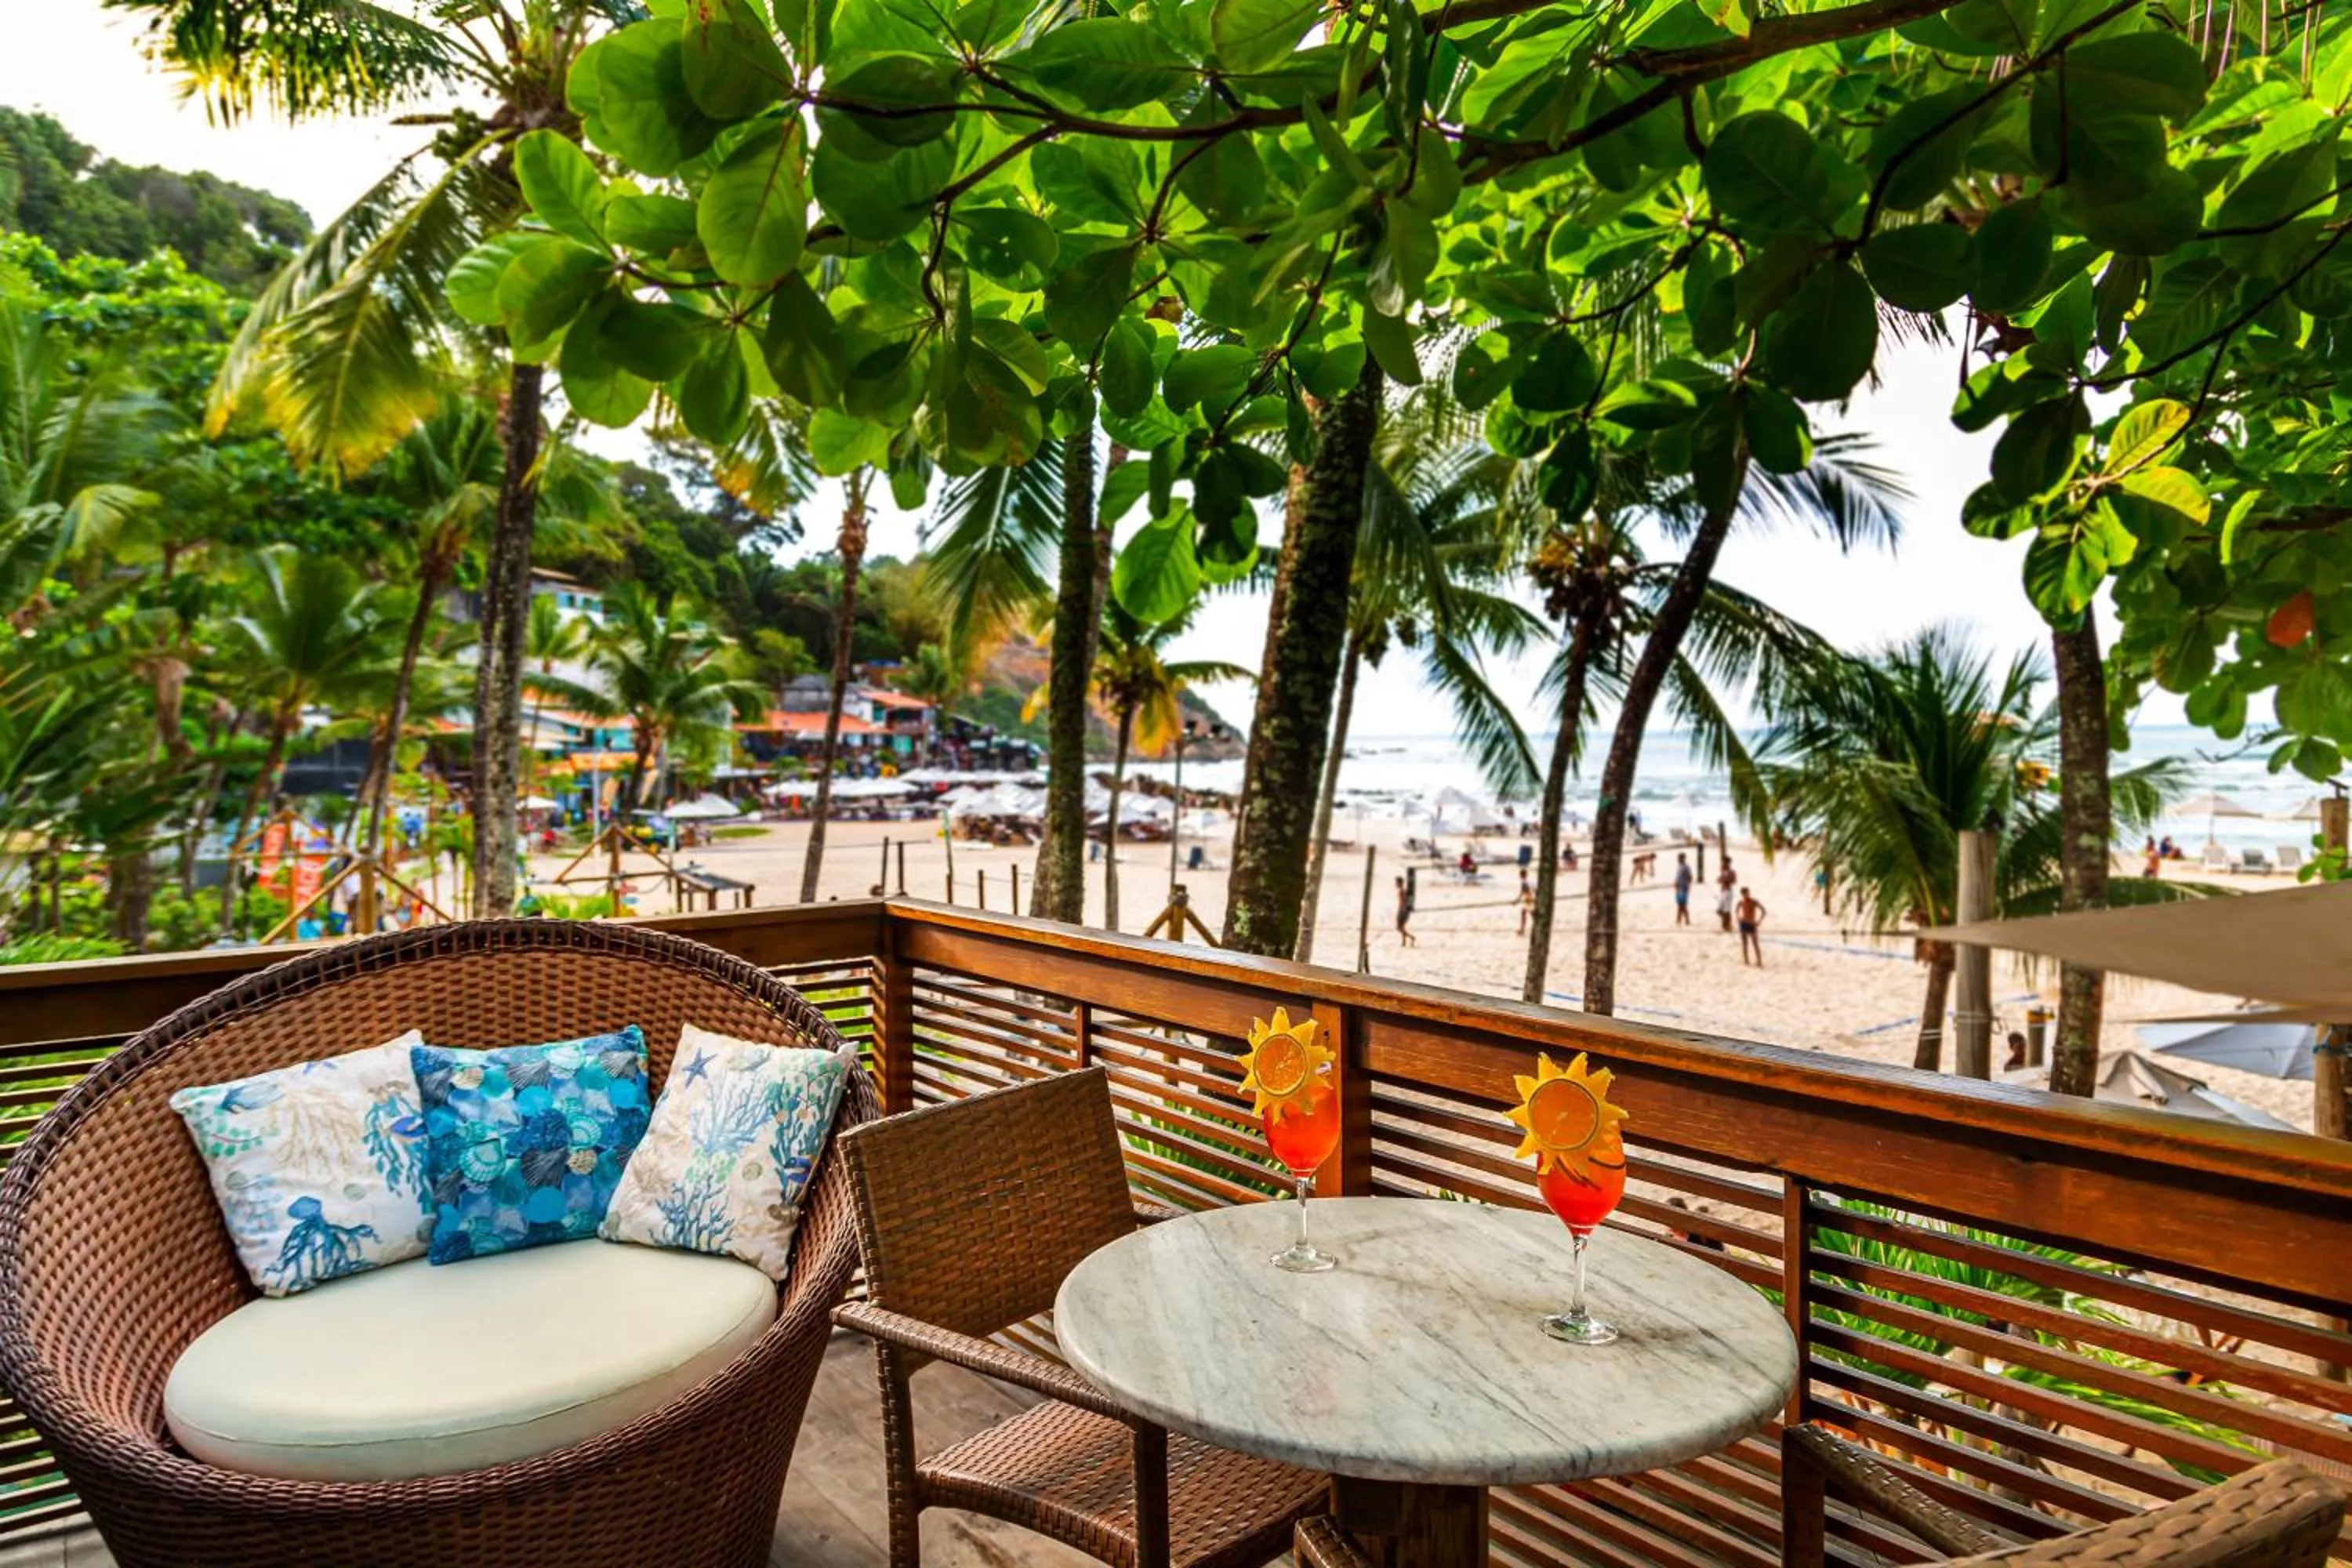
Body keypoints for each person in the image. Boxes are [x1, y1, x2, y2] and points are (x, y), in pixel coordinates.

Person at [1736, 887, 1766, 966]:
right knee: (1744, 943)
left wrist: (1759, 921)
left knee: (1755, 943)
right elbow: (1736, 910)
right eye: (1744, 894)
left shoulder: (1753, 902)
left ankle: (1759, 961)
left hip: (1752, 924)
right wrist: (1739, 918)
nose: (1746, 895)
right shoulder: (1741, 902)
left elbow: (1764, 911)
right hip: (1744, 923)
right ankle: (1746, 960)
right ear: (1742, 894)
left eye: (1747, 893)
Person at [1715, 858, 1738, 932]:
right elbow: (1719, 879)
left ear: (1728, 863)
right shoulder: (1723, 871)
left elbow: (1734, 881)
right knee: (1719, 910)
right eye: (1723, 863)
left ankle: (1726, 925)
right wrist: (1720, 880)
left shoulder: (1731, 872)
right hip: (1722, 891)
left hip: (1728, 891)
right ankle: (1727, 923)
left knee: (1727, 910)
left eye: (1725, 863)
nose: (1723, 864)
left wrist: (1727, 880)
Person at [1395, 875, 1417, 947]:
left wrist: (1402, 910)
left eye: (1397, 883)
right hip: (1402, 910)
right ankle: (1404, 942)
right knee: (1402, 927)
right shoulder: (1402, 891)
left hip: (1402, 911)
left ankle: (1411, 937)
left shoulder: (1403, 891)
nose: (1396, 884)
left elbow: (1404, 902)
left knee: (1399, 927)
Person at [1673, 853, 1694, 926]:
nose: (1678, 860)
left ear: (1683, 858)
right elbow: (1678, 877)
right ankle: (1678, 919)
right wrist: (1676, 883)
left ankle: (1687, 920)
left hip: (1684, 888)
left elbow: (1690, 877)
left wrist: (1687, 885)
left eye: (1680, 858)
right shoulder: (1679, 866)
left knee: (1684, 906)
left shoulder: (1686, 867)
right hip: (1678, 888)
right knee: (1679, 905)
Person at [1516, 868, 1534, 935]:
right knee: (1530, 914)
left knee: (1526, 914)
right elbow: (1534, 890)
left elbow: (1523, 892)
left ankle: (1522, 930)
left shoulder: (1524, 883)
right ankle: (1522, 930)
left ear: (1521, 875)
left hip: (1528, 900)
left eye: (1520, 875)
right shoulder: (1530, 881)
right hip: (1531, 899)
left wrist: (1517, 901)